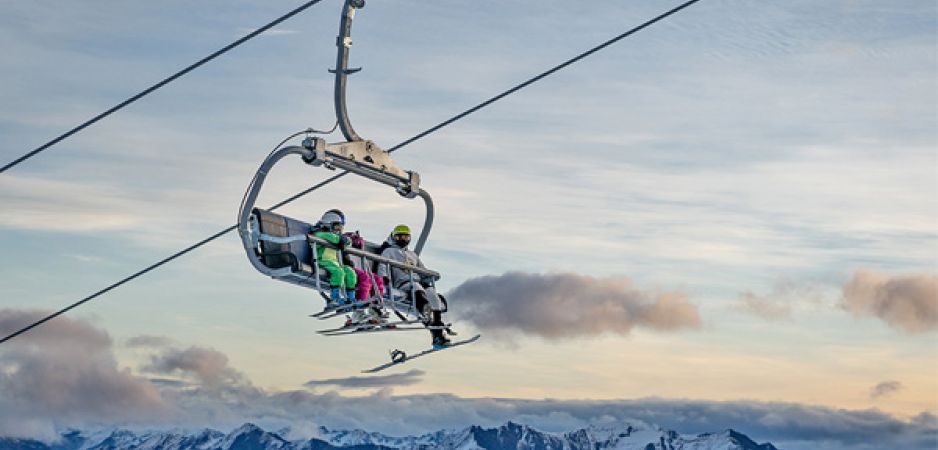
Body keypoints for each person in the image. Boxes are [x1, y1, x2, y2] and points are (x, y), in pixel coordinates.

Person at [377, 224, 451, 348]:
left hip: (418, 281)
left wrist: (429, 277)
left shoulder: (412, 255)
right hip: (403, 283)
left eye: (406, 237)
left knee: (432, 294)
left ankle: (437, 325)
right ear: (394, 237)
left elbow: (422, 270)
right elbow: (382, 265)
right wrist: (383, 278)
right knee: (416, 288)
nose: (403, 240)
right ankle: (426, 311)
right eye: (399, 237)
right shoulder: (389, 251)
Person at [309, 209, 357, 308]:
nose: (338, 230)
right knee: (338, 272)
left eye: (340, 227)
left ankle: (351, 298)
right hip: (322, 260)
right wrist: (342, 240)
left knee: (350, 272)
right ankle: (335, 297)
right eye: (336, 226)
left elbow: (348, 243)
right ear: (328, 224)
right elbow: (332, 238)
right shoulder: (319, 234)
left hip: (334, 263)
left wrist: (346, 240)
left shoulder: (335, 237)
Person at [341, 231, 389, 327]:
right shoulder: (345, 251)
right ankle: (359, 310)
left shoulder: (359, 253)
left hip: (359, 273)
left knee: (377, 279)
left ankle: (375, 308)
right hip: (350, 273)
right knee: (365, 280)